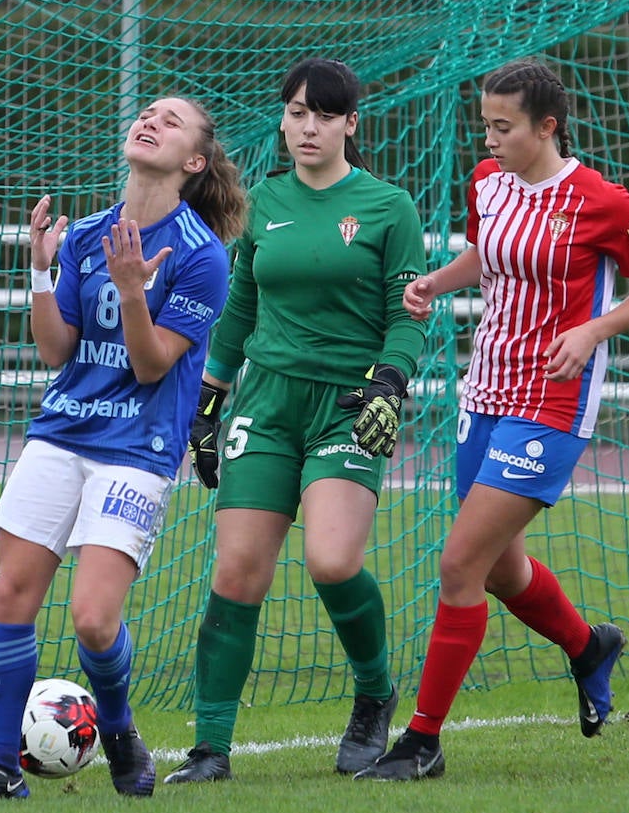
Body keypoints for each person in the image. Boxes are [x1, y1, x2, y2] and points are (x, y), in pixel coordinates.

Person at [354, 59, 629, 781]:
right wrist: (437, 280)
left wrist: (592, 331)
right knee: (499, 568)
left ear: (547, 126)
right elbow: (488, 254)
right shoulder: (487, 183)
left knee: (459, 562)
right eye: (487, 124)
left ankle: (422, 740)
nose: (491, 138)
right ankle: (589, 646)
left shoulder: (600, 201)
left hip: (553, 403)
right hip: (487, 392)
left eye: (505, 126)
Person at [0, 97, 247, 800]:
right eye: (147, 112)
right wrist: (41, 270)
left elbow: (154, 363)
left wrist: (133, 290)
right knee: (10, 592)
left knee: (94, 618)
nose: (151, 120)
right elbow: (53, 349)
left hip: (140, 445)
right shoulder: (87, 232)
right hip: (61, 430)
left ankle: (122, 731)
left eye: (172, 120)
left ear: (194, 160)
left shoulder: (201, 255)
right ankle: (3, 766)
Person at [162, 58, 429, 784]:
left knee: (332, 561)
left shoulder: (387, 207)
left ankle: (374, 693)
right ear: (282, 118)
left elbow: (405, 318)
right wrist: (209, 404)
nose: (306, 126)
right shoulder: (264, 202)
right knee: (238, 569)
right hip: (267, 405)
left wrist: (389, 382)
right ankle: (211, 747)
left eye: (322, 113)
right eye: (295, 112)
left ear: (350, 123)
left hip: (347, 403)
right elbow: (239, 312)